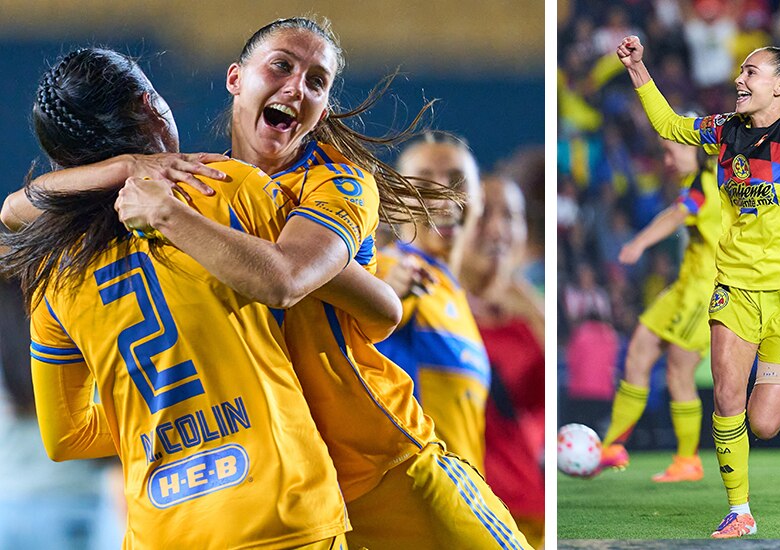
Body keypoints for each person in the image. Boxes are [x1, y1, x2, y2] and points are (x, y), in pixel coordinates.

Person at [3, 18, 530, 549]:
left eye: (317, 81)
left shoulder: (333, 180)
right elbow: (13, 209)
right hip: (283, 478)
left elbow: (294, 281)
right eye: (281, 65)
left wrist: (165, 212)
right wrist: (129, 167)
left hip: (379, 465)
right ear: (236, 79)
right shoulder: (210, 188)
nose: (297, 86)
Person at [0, 47, 349, 549]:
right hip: (282, 508)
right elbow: (323, 300)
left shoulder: (55, 272)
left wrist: (152, 412)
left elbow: (64, 437)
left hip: (161, 531)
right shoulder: (228, 188)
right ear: (150, 106)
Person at [616, 35, 780, 538]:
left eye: (751, 72)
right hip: (735, 286)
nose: (739, 80)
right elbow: (669, 125)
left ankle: (735, 464)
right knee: (726, 395)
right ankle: (738, 510)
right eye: (741, 71)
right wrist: (638, 68)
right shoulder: (723, 132)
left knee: (764, 422)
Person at [596, 139, 721, 483]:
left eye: (673, 151)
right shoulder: (692, 184)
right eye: (664, 152)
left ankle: (687, 460)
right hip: (683, 287)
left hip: (705, 292)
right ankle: (611, 447)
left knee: (678, 372)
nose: (667, 159)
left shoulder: (707, 184)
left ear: (697, 150)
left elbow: (676, 215)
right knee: (637, 354)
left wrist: (639, 242)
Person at [375, 134, 492, 471]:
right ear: (396, 200)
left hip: (465, 500)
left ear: (480, 199)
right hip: (418, 499)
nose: (443, 194)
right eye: (424, 181)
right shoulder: (390, 267)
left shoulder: (451, 291)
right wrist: (384, 292)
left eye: (456, 180)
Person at [461, 174, 546, 548]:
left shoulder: (532, 316)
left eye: (510, 216)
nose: (496, 228)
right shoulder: (424, 310)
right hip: (454, 509)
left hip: (527, 514)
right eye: (481, 215)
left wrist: (532, 311)